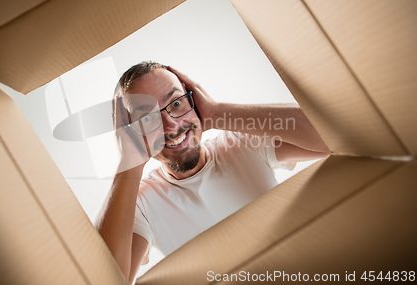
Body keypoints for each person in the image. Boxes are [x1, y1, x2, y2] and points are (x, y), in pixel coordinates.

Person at [95, 62, 330, 283]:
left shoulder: (242, 143)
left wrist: (217, 113)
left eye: (176, 103)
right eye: (147, 118)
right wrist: (129, 161)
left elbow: (334, 135)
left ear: (194, 101)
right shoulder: (141, 204)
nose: (171, 126)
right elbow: (103, 279)